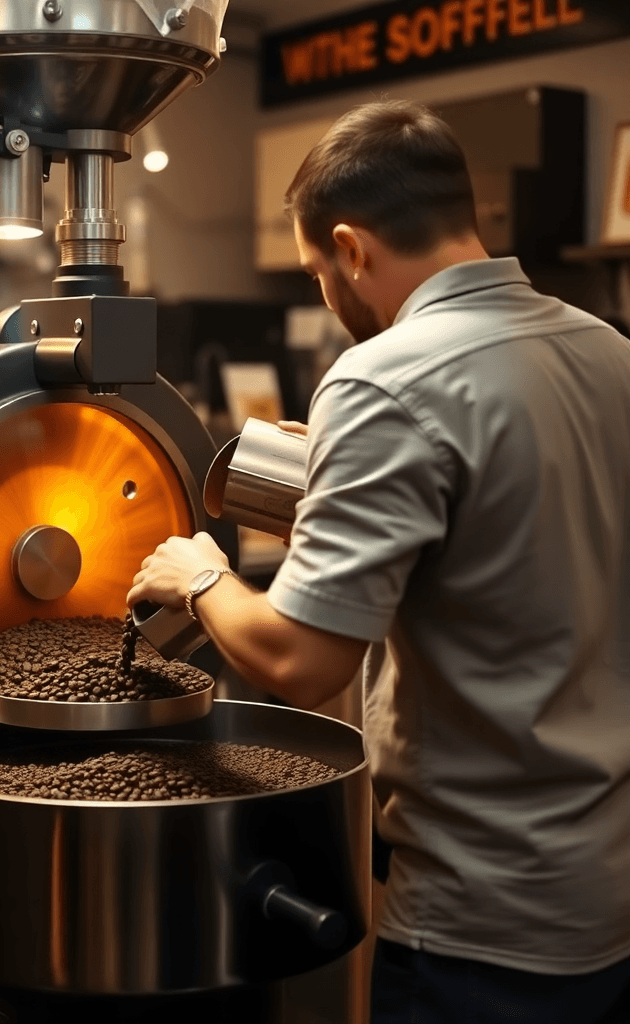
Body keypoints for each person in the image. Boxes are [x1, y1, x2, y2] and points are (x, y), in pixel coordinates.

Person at [126, 100, 630, 1024]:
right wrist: (343, 475)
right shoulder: (606, 351)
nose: (327, 291)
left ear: (352, 249)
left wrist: (201, 578)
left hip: (480, 923)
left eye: (319, 270)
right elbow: (518, 537)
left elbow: (303, 664)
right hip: (605, 892)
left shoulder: (386, 379)